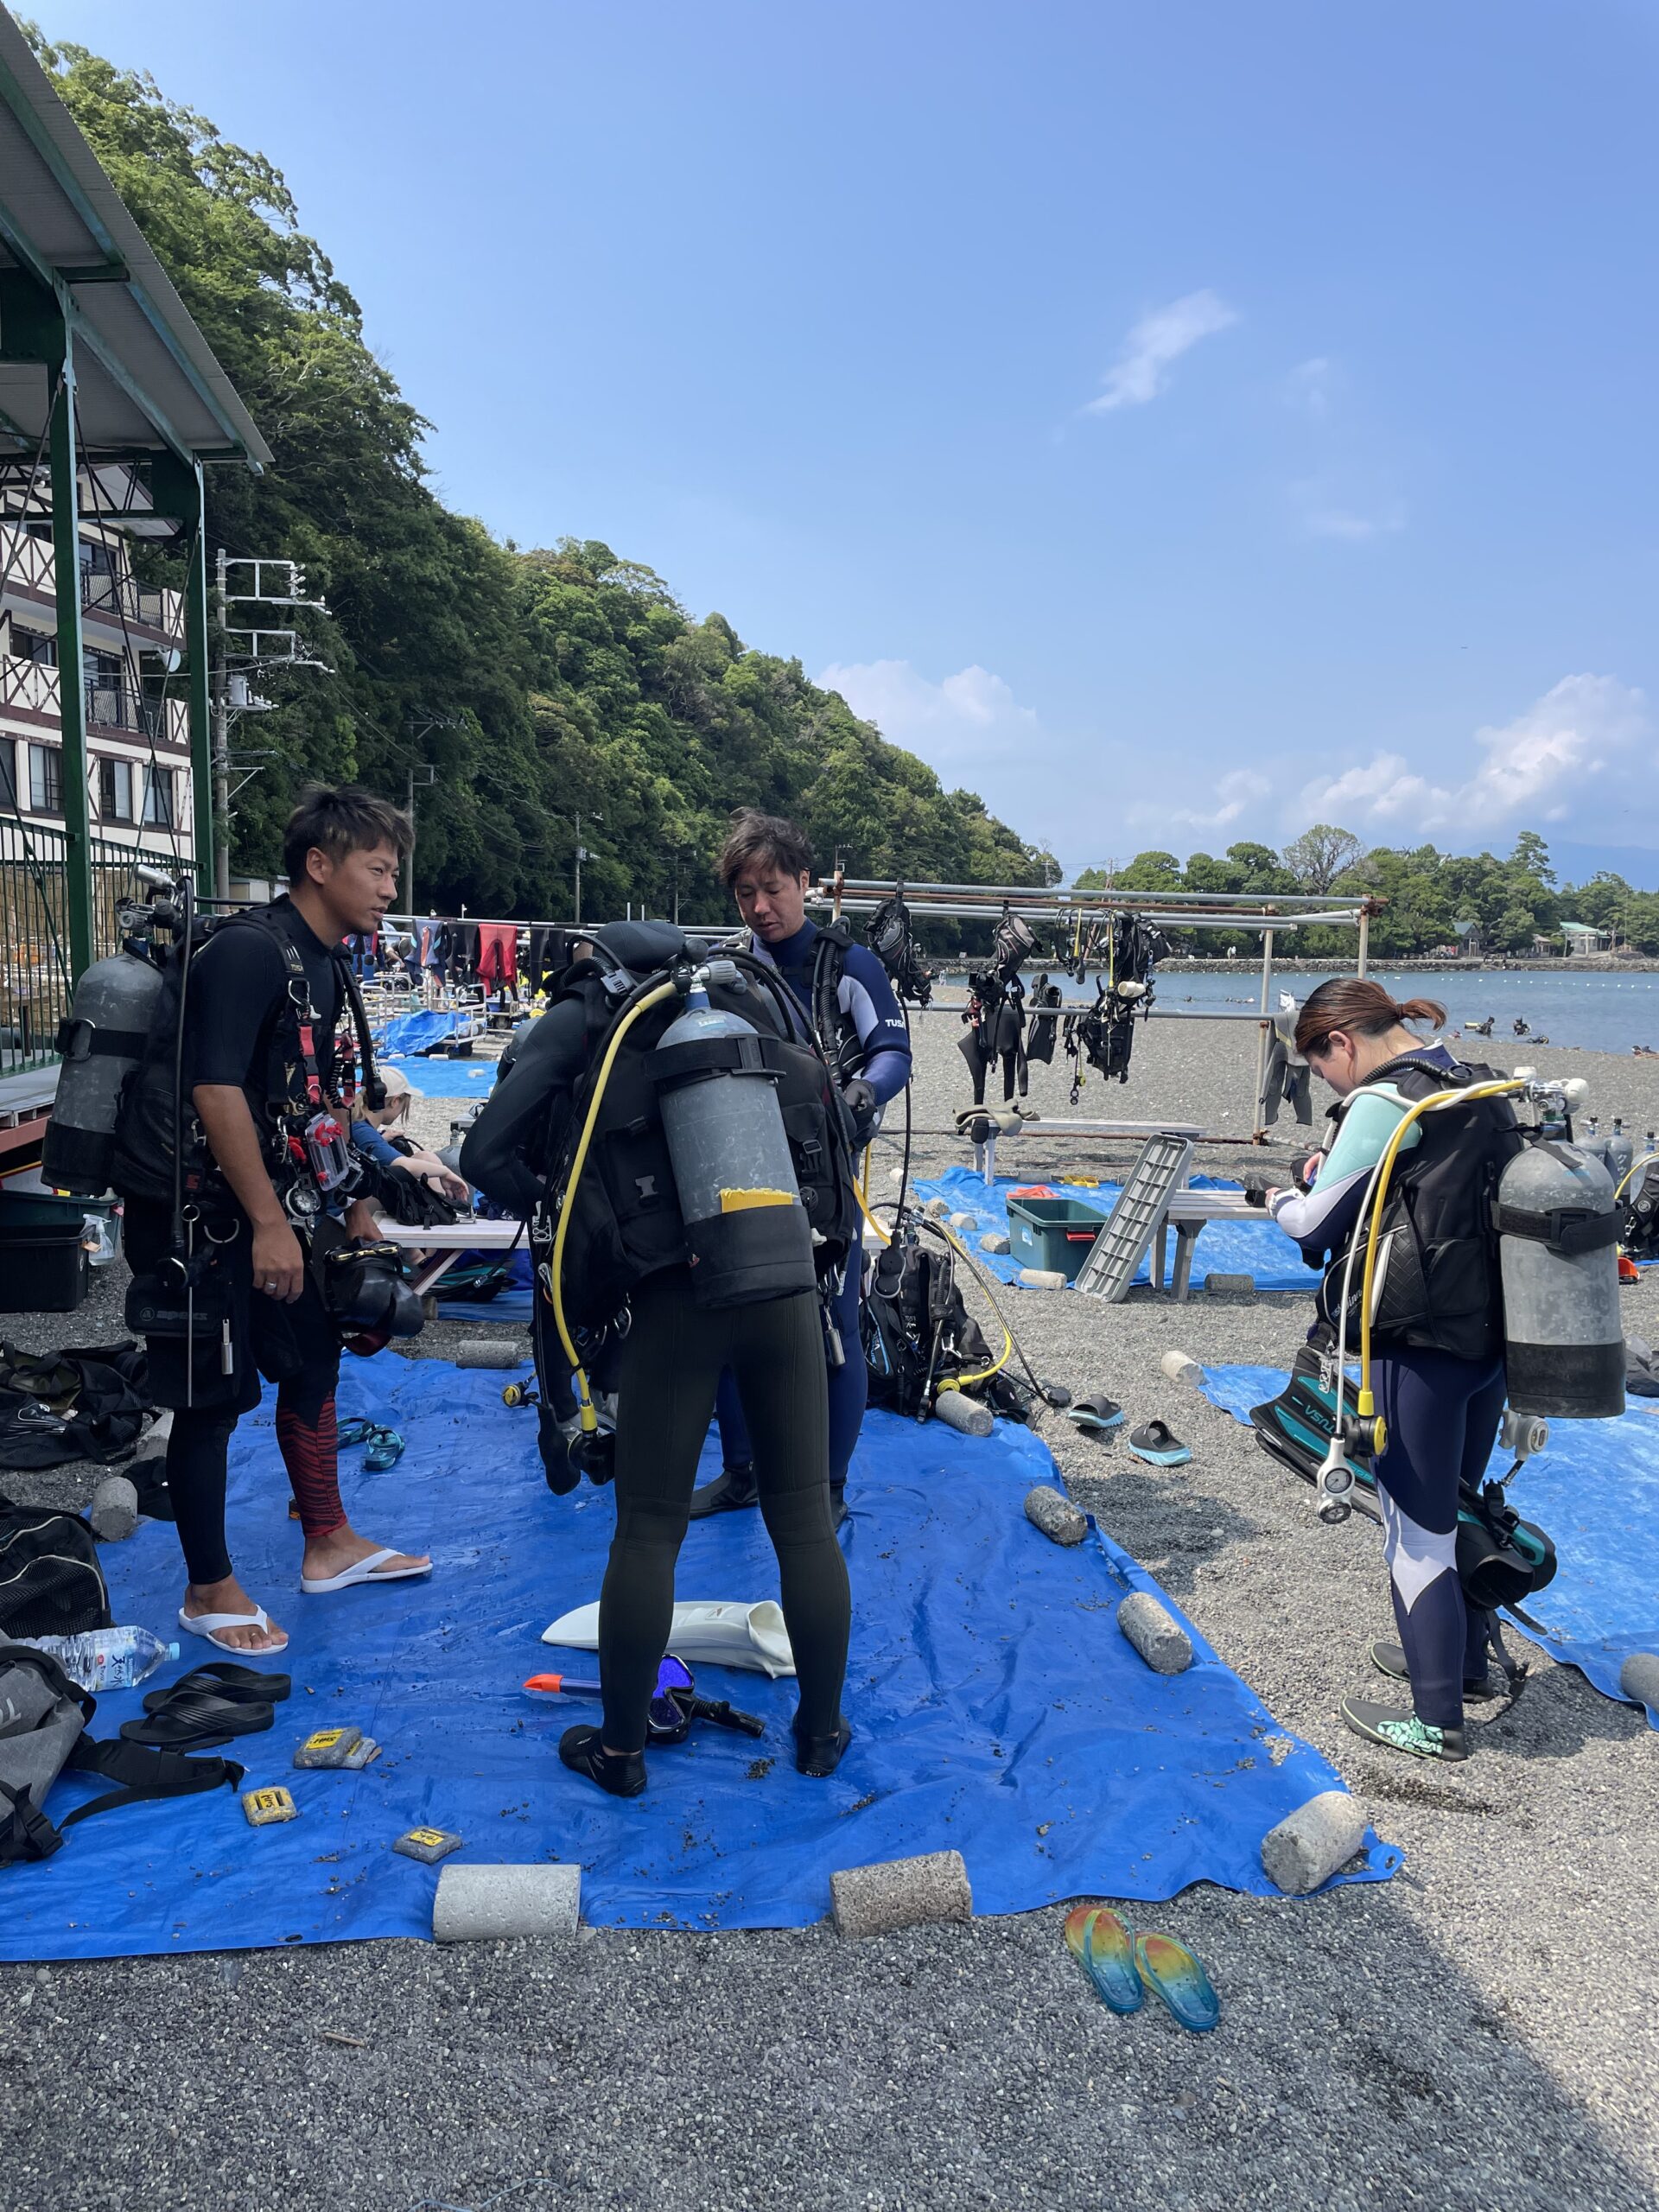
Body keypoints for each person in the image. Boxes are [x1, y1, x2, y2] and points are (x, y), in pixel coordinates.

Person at [460, 919, 858, 1796]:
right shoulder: (749, 1001)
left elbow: (484, 1154)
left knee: (648, 1530)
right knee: (803, 1522)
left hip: (672, 1298)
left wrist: (573, 1205)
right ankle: (823, 1733)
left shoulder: (588, 1015)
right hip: (785, 1280)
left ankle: (622, 1751)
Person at [117, 787, 432, 1656]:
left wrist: (358, 1200)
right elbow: (213, 1089)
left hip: (285, 1208)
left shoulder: (325, 961)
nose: (387, 887)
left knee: (312, 1360)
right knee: (211, 1399)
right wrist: (264, 1223)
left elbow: (319, 1094)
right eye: (377, 868)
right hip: (205, 1219)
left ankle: (328, 1544)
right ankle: (207, 1589)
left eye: (392, 870)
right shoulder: (249, 954)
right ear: (319, 866)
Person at [1263, 978, 1522, 1764]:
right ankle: (1465, 1669)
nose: (1328, 1083)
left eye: (1320, 1066)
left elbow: (1315, 1221)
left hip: (1418, 1344)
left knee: (1418, 1534)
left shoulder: (1387, 1100)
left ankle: (1435, 1720)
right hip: (1492, 1341)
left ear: (1341, 1042)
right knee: (1464, 1507)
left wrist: (1280, 1195)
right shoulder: (1477, 1083)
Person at [691, 810, 912, 1526]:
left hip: (823, 1173)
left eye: (775, 889)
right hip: (737, 1168)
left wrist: (863, 1091)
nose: (761, 907)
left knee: (836, 1330)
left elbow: (893, 1053)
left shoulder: (849, 965)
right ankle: (744, 1474)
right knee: (729, 1327)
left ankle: (829, 1488)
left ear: (805, 885)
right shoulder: (723, 970)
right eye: (746, 894)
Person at [352, 1065, 470, 1206]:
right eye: (403, 1106)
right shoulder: (362, 1131)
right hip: (354, 1206)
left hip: (352, 1198)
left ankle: (441, 1208)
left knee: (425, 1158)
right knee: (427, 1159)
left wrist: (381, 1139)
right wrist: (444, 1172)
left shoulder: (357, 1124)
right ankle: (442, 1210)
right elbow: (406, 1167)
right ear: (395, 1102)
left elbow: (364, 1146)